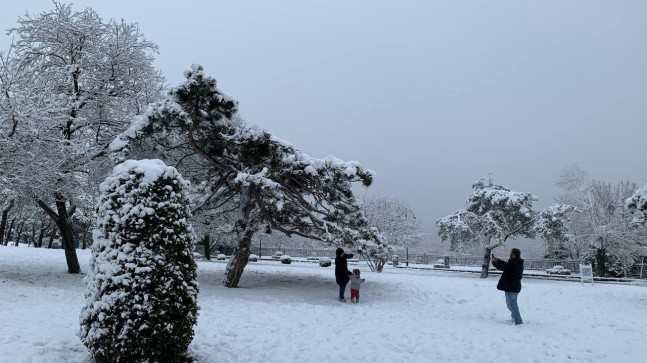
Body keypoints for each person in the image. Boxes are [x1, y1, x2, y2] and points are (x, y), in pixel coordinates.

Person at [491, 248, 524, 325]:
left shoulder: (514, 263)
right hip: (512, 287)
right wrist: (497, 260)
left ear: (514, 254)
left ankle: (518, 321)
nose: (510, 253)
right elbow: (506, 265)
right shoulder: (516, 261)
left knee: (511, 305)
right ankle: (515, 317)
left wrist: (494, 263)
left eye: (511, 253)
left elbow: (503, 267)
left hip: (512, 287)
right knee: (512, 304)